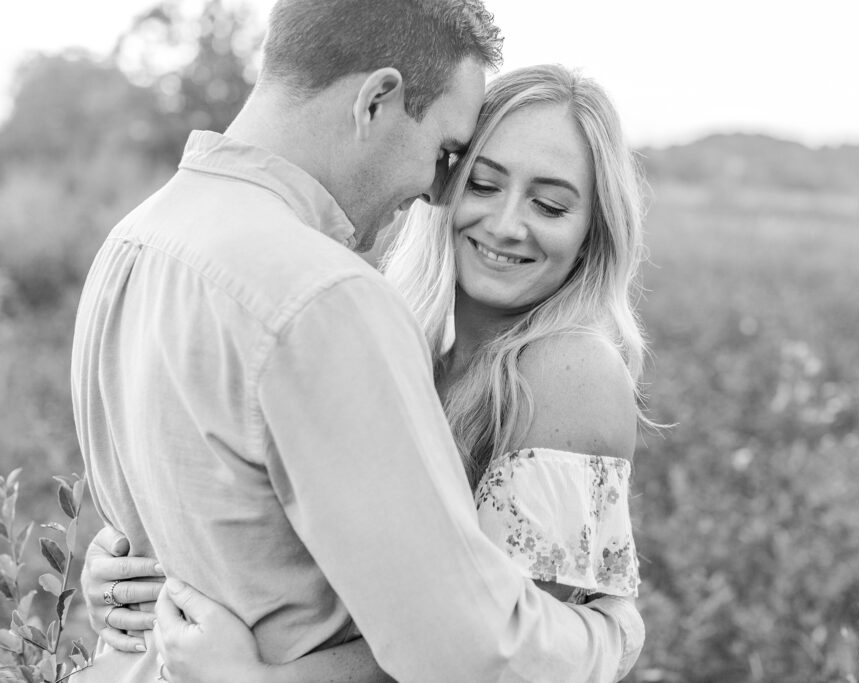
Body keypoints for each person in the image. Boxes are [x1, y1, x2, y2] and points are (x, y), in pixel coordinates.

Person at [70, 0, 644, 680]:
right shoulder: (329, 298)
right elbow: (474, 650)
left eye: (550, 204)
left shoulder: (139, 238)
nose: (436, 191)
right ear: (377, 101)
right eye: (459, 165)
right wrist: (611, 633)